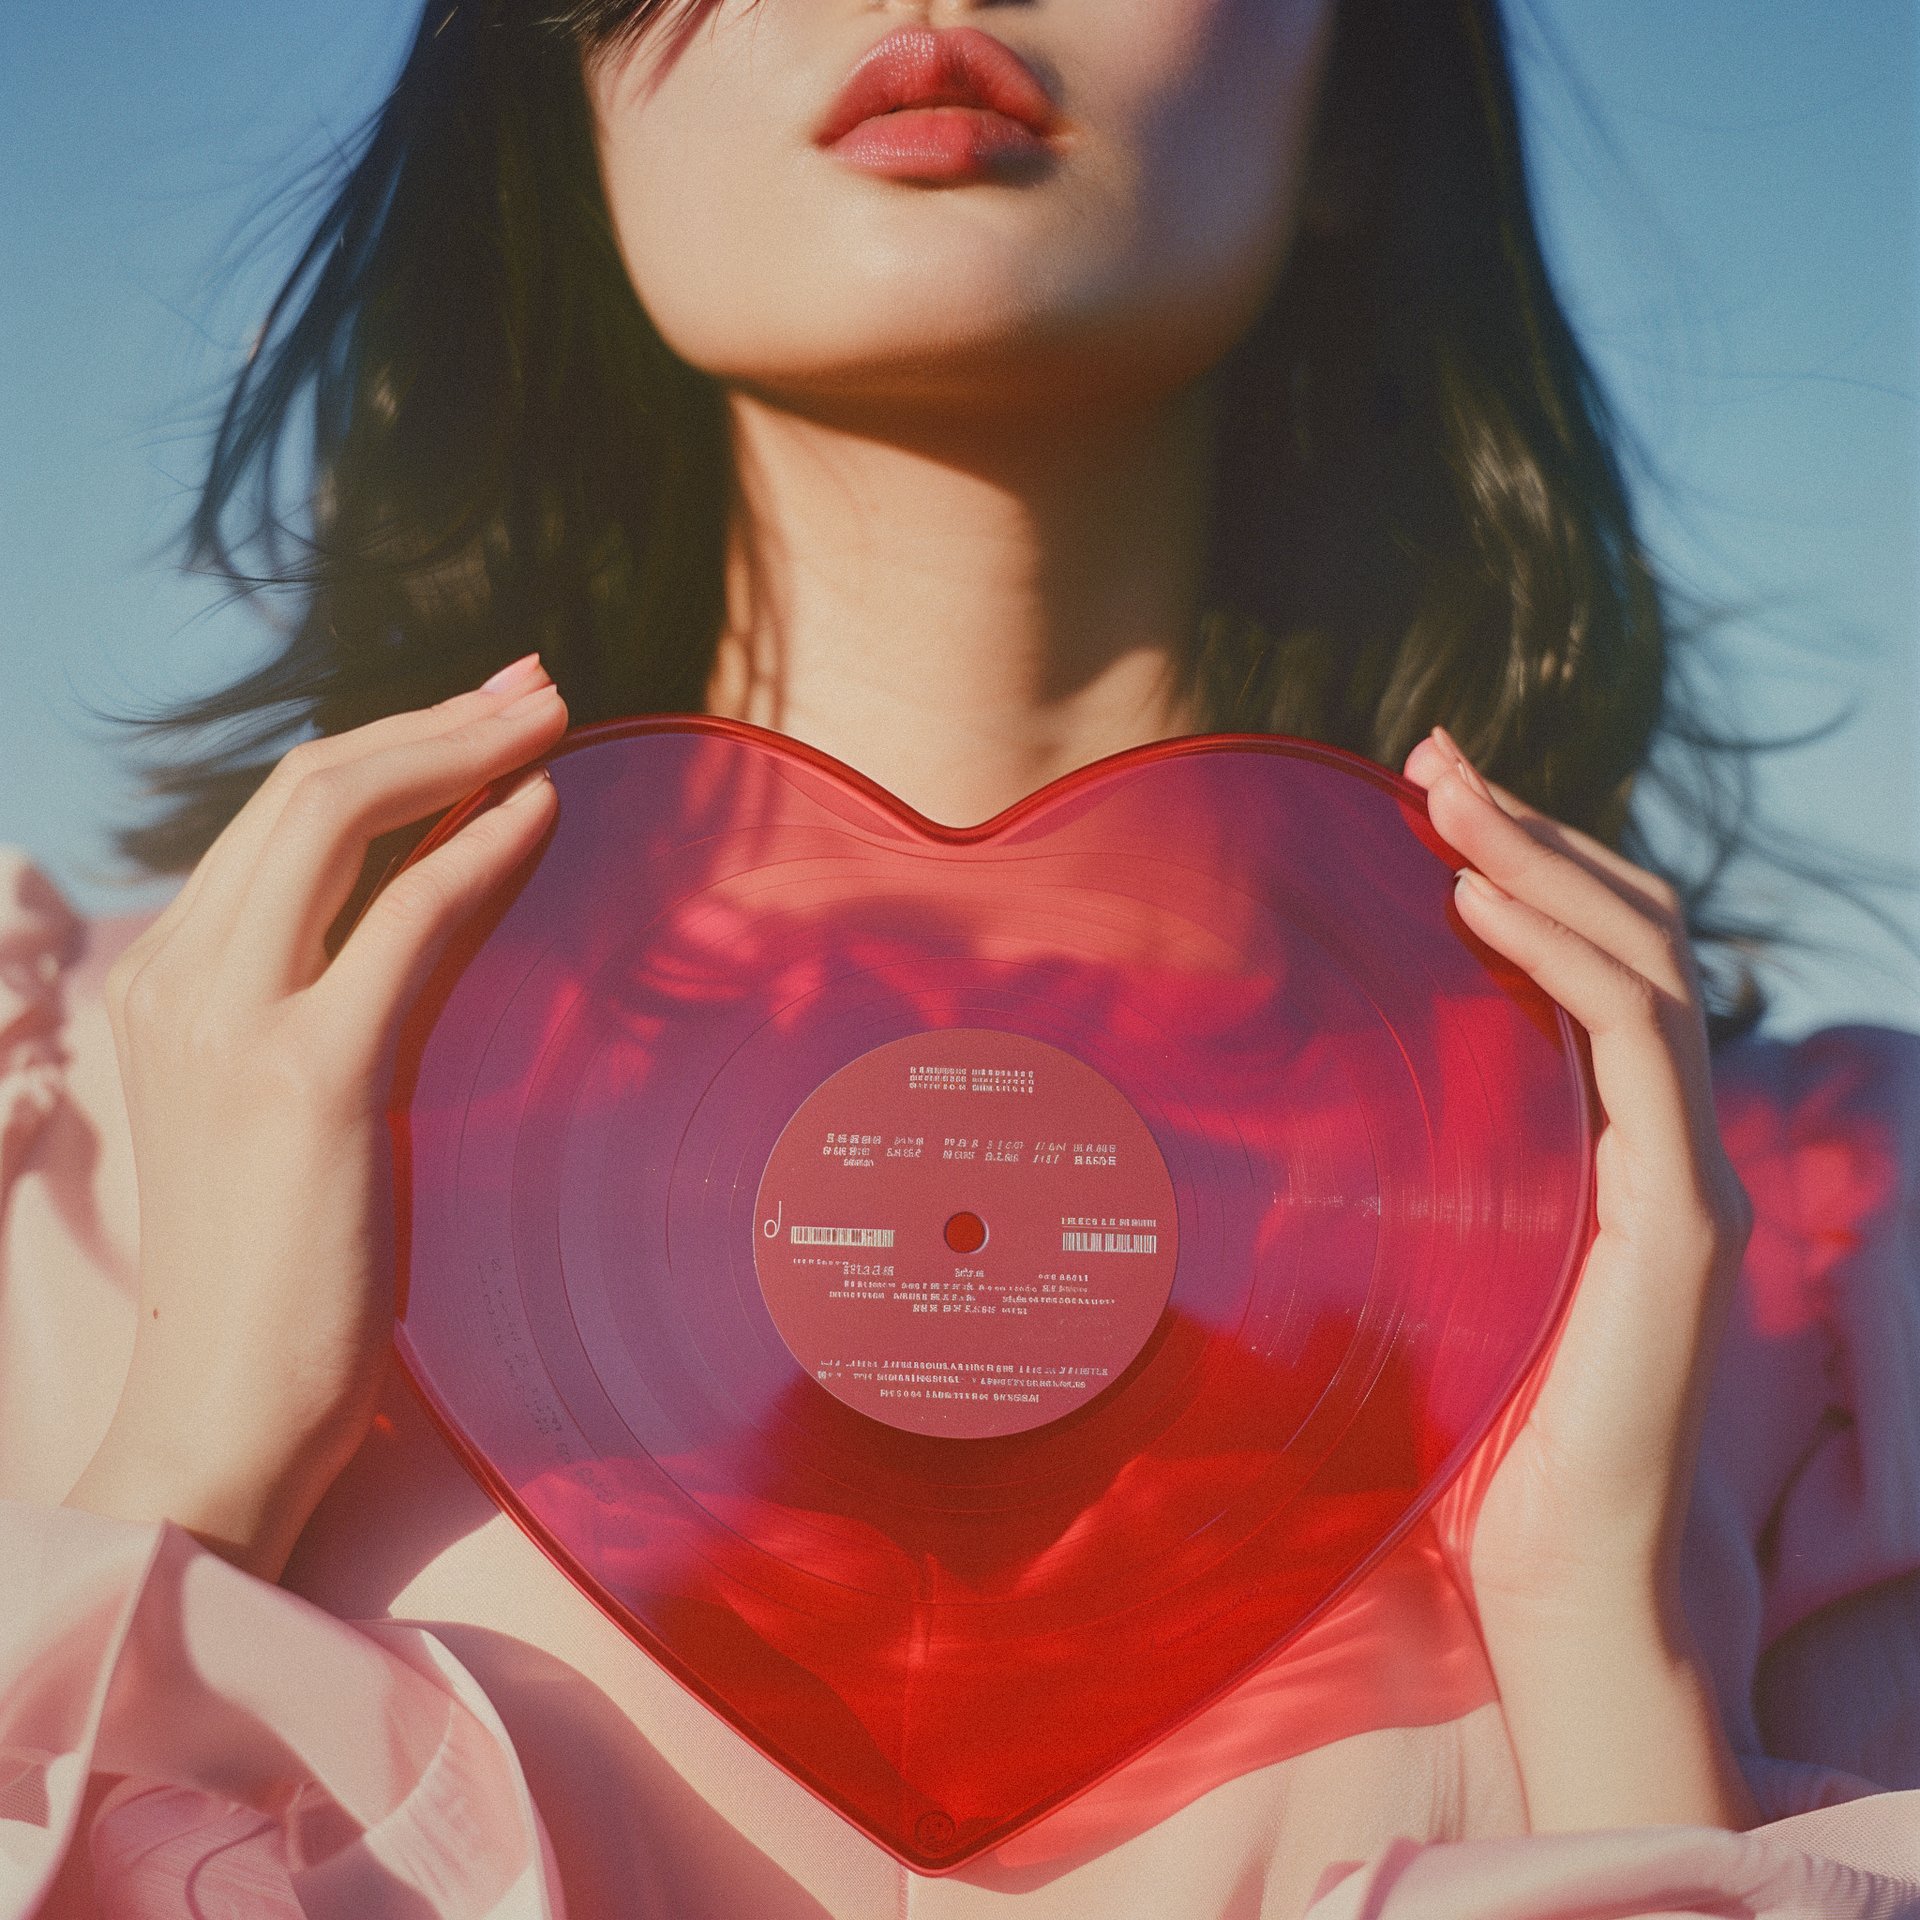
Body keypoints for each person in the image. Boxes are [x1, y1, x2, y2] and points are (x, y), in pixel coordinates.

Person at [1, 0, 1915, 1914]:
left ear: (1355, 102)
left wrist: (1608, 1628)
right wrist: (193, 1460)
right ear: (556, 92)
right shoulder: (61, 1149)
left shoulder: (1842, 1273)